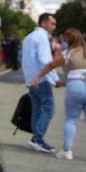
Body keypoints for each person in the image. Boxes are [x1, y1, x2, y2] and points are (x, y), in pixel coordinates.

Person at [28, 28, 86, 163]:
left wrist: (37, 78)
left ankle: (67, 151)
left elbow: (50, 65)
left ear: (68, 41)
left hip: (75, 87)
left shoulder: (67, 54)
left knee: (71, 120)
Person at [22, 13, 59, 153]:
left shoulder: (28, 37)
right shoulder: (42, 37)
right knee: (49, 109)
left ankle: (36, 139)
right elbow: (45, 61)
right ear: (44, 23)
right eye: (52, 23)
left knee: (37, 108)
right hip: (41, 79)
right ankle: (38, 138)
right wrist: (55, 78)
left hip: (31, 79)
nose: (54, 27)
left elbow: (25, 60)